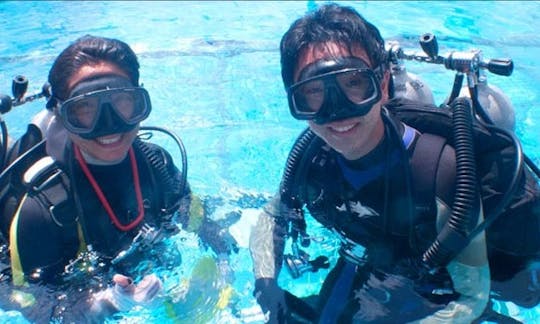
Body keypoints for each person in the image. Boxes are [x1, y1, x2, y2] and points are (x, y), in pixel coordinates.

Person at [249, 3, 491, 323]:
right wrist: (265, 283)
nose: (338, 112)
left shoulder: (439, 173)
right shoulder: (311, 158)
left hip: (426, 296)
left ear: (383, 83)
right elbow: (273, 215)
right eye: (314, 92)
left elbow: (472, 297)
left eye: (353, 84)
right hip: (360, 273)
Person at [0, 35, 238, 322]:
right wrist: (105, 304)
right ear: (62, 116)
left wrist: (225, 264)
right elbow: (33, 305)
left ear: (139, 102)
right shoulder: (41, 208)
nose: (109, 126)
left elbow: (199, 218)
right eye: (85, 110)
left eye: (123, 103)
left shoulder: (156, 163)